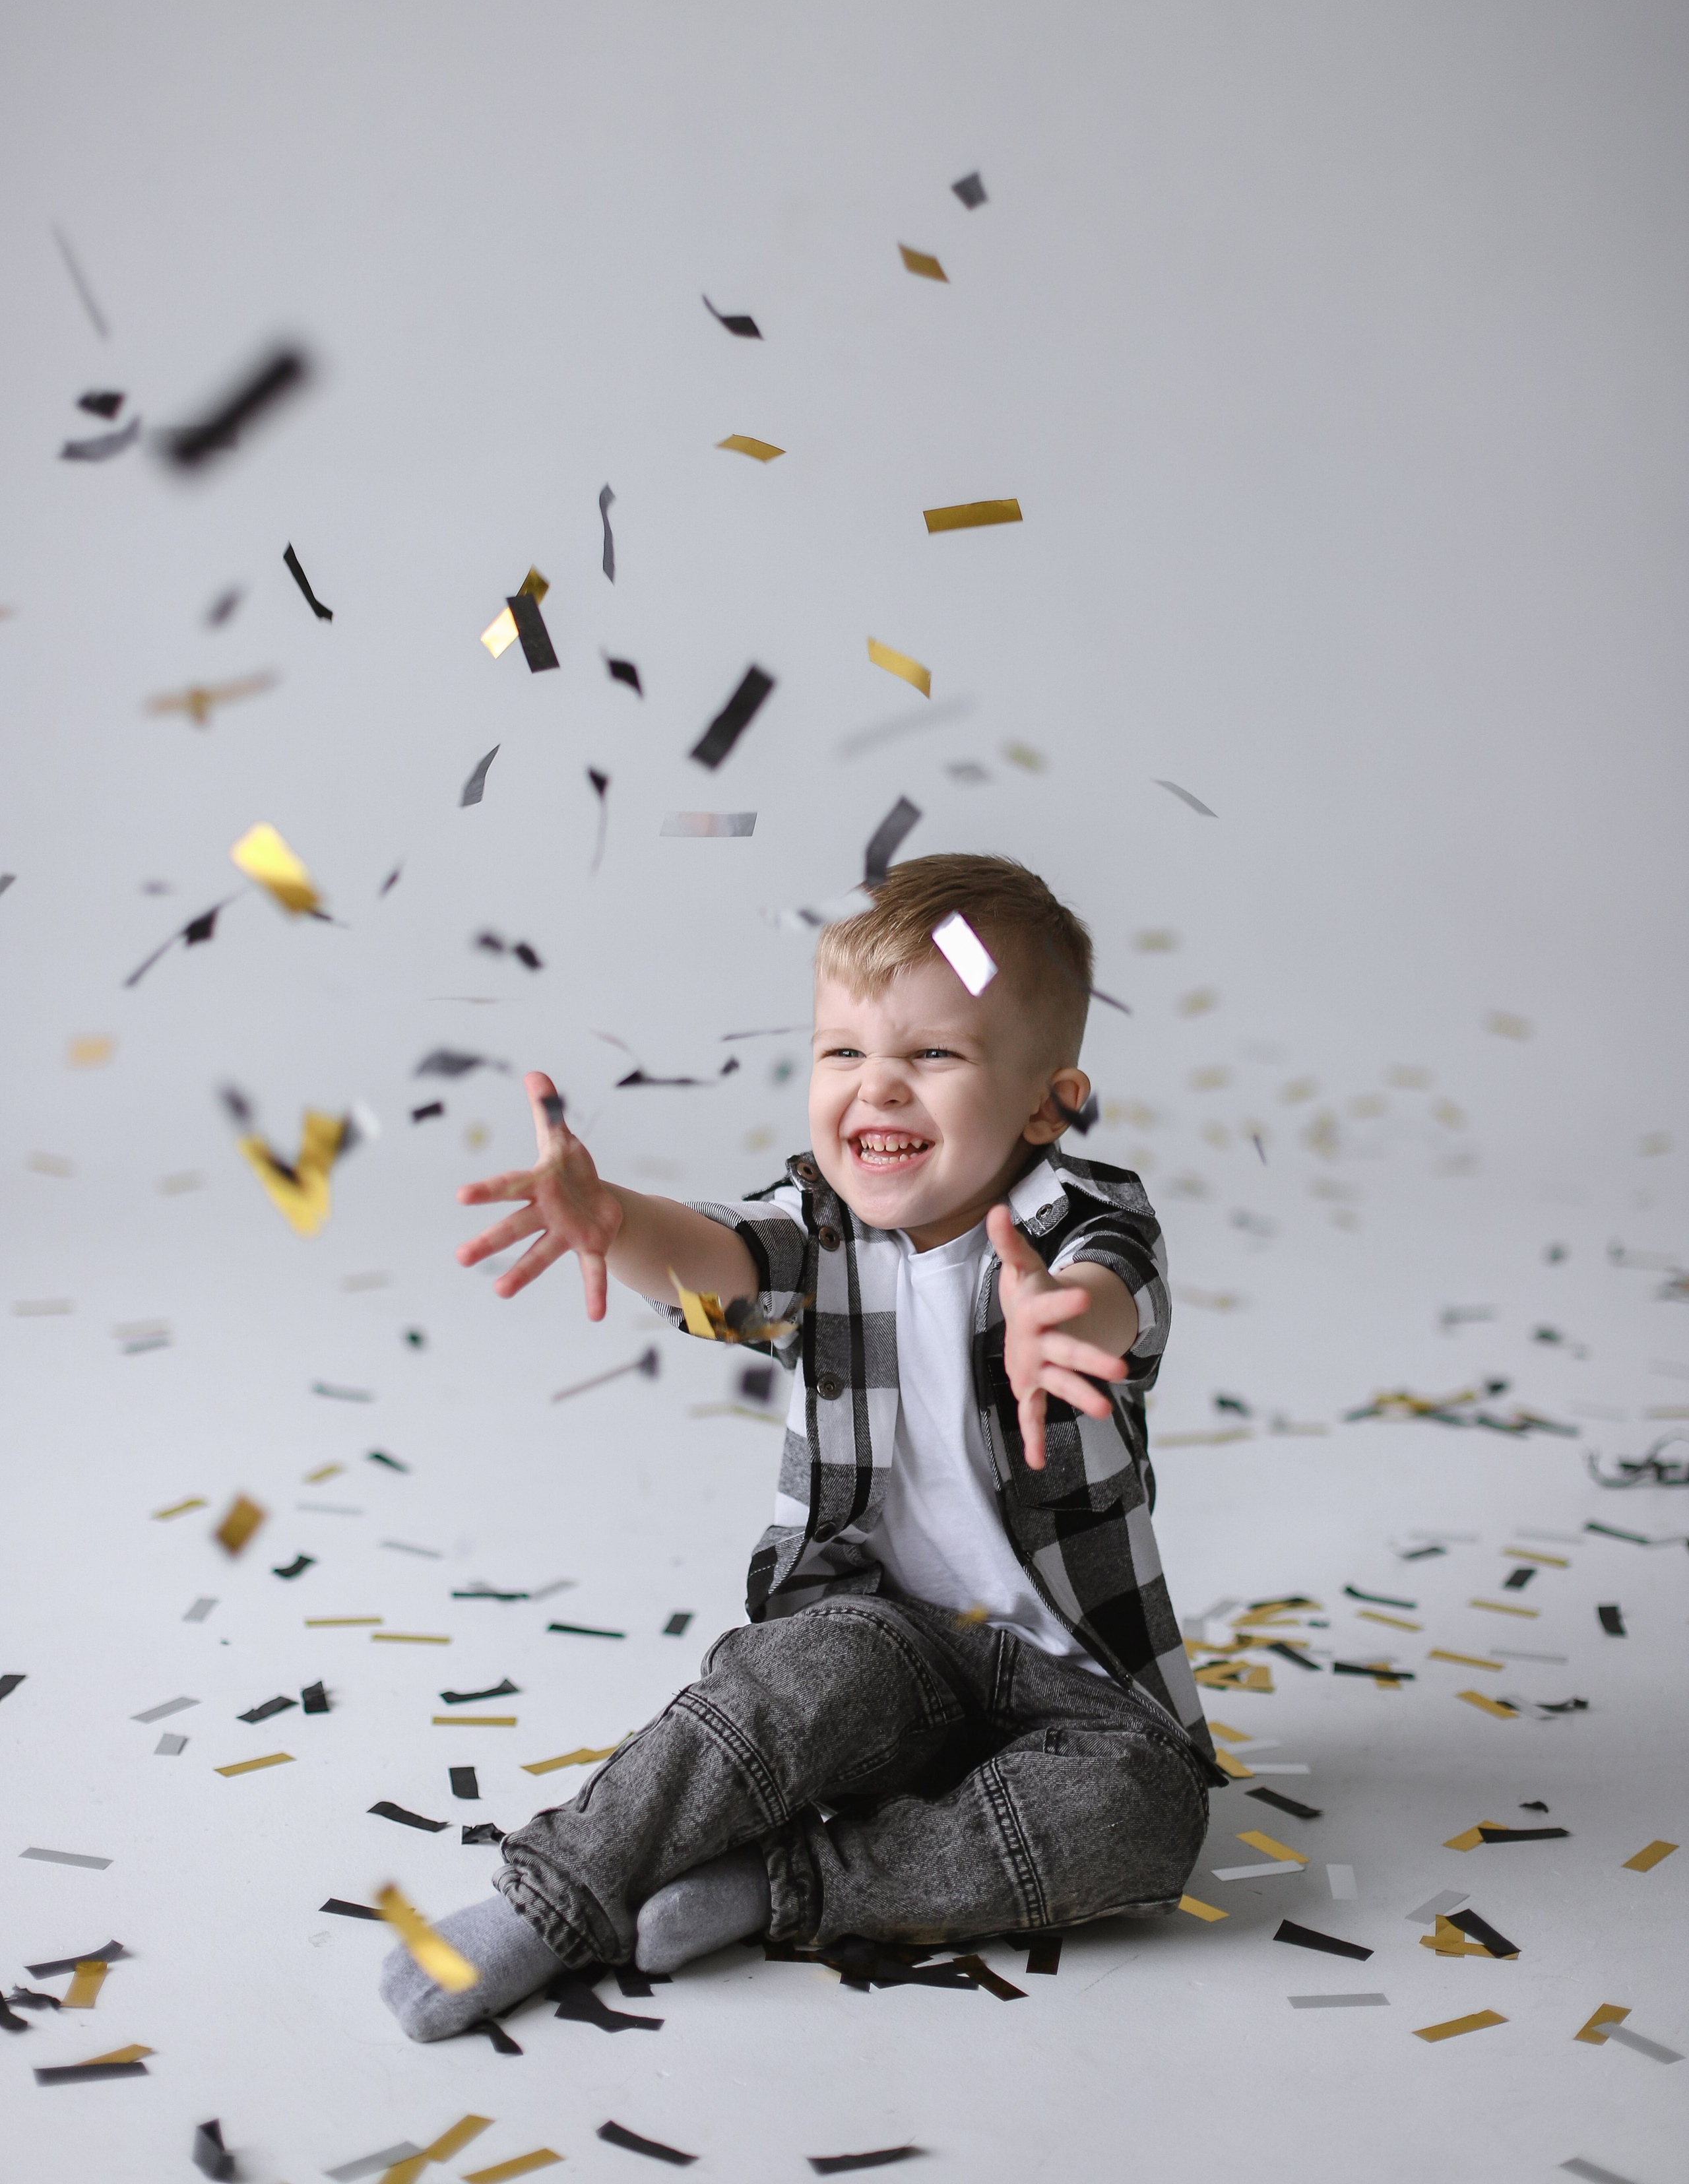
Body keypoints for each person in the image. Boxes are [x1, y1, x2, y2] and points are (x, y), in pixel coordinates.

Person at [381, 854, 1220, 2040]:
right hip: (881, 1645)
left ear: (1048, 1103)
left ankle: (784, 1890)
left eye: (933, 1056)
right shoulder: (821, 1227)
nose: (877, 1091)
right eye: (843, 1054)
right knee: (785, 1686)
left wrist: (1061, 1318)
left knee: (1147, 1816)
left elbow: (1112, 1289)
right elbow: (722, 1256)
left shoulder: (1081, 1225)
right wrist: (617, 1223)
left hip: (1072, 1680)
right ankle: (561, 1893)